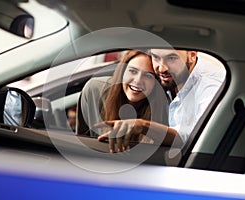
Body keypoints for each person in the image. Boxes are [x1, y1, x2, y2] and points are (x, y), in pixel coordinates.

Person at [94, 48, 225, 151]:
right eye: (156, 57)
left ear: (192, 55)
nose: (162, 68)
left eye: (172, 58)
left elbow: (196, 138)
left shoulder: (209, 86)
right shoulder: (168, 80)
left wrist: (142, 126)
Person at [76, 50, 170, 152]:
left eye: (148, 76)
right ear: (122, 72)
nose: (138, 80)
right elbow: (81, 142)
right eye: (133, 71)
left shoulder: (165, 108)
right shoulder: (94, 91)